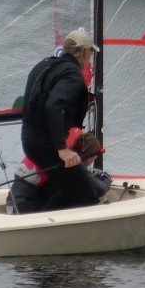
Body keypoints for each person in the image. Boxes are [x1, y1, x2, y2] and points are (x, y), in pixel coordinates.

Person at [8, 28, 106, 215]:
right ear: (85, 52)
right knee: (88, 196)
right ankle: (36, 224)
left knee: (69, 187)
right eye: (91, 54)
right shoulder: (73, 74)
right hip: (48, 147)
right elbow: (53, 106)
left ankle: (37, 217)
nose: (90, 59)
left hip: (29, 142)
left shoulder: (44, 65)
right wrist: (62, 149)